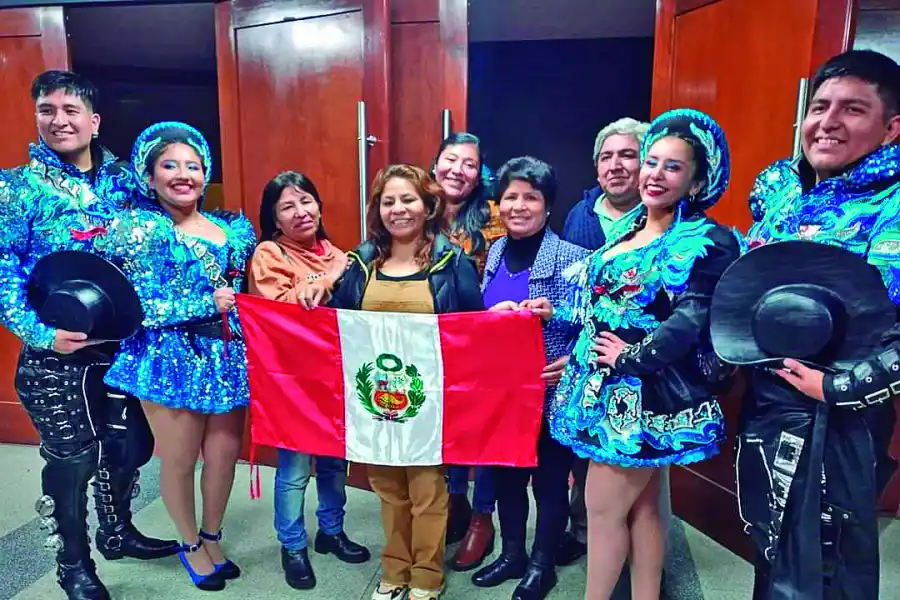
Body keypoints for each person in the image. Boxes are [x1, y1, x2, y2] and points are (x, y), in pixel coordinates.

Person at [546, 108, 741, 599]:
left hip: (641, 397)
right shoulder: (629, 229)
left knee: (603, 510)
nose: (655, 174)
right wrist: (557, 311)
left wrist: (628, 358)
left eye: (673, 167)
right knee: (646, 507)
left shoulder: (708, 240)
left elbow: (691, 321)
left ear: (697, 180)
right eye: (651, 162)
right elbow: (605, 304)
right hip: (601, 387)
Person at [0, 71, 178, 600]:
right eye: (47, 110)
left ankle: (118, 531)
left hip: (124, 345)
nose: (59, 120)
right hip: (55, 352)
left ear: (93, 121)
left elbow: (158, 246)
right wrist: (38, 331)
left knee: (132, 447)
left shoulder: (127, 181)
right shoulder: (14, 187)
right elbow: (3, 268)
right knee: (73, 460)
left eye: (71, 110)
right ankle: (73, 566)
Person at [740, 49, 900, 600]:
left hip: (842, 416)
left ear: (890, 128)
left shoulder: (895, 203)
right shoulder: (782, 194)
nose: (828, 122)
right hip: (767, 403)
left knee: (829, 564)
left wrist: (837, 387)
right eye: (819, 106)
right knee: (770, 546)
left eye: (853, 109)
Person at [305, 164, 484, 600]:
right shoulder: (362, 260)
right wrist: (316, 289)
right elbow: (339, 328)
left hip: (430, 402)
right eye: (388, 201)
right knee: (388, 489)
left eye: (407, 200)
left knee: (427, 491)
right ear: (377, 209)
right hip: (376, 399)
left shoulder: (451, 260)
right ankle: (394, 569)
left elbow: (473, 328)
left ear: (427, 206)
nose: (398, 209)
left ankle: (426, 576)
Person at [101, 122, 257, 592]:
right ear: (149, 176)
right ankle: (189, 544)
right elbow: (134, 306)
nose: (183, 174)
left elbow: (242, 291)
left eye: (193, 165)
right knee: (180, 459)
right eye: (170, 165)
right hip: (168, 356)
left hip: (226, 355)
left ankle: (212, 535)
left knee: (224, 455)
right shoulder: (137, 229)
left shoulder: (230, 229)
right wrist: (202, 304)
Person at [558, 117, 681, 570]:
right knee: (586, 467)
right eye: (606, 157)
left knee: (645, 486)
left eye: (628, 155)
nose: (617, 166)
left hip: (647, 374)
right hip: (587, 366)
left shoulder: (674, 225)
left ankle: (644, 566)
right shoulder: (580, 215)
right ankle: (586, 537)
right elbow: (574, 294)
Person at [471, 156, 587, 600]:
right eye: (510, 197)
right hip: (499, 388)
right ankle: (512, 553)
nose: (519, 206)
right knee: (504, 477)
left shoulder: (574, 257)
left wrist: (570, 351)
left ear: (548, 205)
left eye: (531, 197)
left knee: (550, 480)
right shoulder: (496, 250)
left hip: (549, 387)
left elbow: (599, 321)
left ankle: (542, 565)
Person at [248, 170, 370, 590]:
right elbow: (283, 311)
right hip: (293, 383)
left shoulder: (337, 252)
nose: (301, 212)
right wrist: (327, 278)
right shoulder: (270, 254)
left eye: (306, 201)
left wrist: (335, 274)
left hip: (334, 378)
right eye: (288, 206)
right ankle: (293, 544)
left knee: (336, 464)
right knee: (296, 468)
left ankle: (331, 532)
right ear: (275, 219)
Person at [431, 132, 504, 565]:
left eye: (469, 164)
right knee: (448, 430)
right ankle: (455, 501)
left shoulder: (494, 217)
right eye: (450, 160)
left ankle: (482, 516)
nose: (458, 170)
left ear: (480, 175)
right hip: (429, 342)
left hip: (481, 337)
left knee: (485, 430)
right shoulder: (416, 209)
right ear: (435, 163)